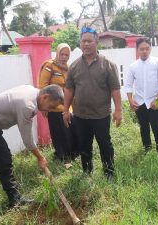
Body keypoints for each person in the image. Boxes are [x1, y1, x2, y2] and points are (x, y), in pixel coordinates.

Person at [0, 85, 63, 225]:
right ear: (44, 97)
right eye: (50, 106)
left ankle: (14, 198)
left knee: (5, 162)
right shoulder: (27, 105)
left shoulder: (33, 91)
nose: (48, 110)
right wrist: (40, 157)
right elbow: (27, 139)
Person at [63, 27, 122, 179]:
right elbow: (69, 90)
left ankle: (109, 173)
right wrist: (65, 111)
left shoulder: (108, 65)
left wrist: (118, 111)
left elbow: (115, 89)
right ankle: (87, 173)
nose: (86, 44)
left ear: (97, 42)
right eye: (83, 41)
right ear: (80, 43)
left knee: (105, 145)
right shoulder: (74, 66)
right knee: (84, 146)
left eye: (89, 41)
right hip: (80, 116)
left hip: (101, 115)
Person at [124, 37, 158, 155]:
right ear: (137, 50)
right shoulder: (133, 66)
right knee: (144, 127)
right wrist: (131, 101)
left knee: (157, 127)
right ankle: (147, 148)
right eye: (142, 49)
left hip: (154, 102)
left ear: (150, 49)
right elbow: (128, 85)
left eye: (147, 48)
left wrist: (157, 100)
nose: (145, 51)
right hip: (140, 102)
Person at [39, 43, 78, 161]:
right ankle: (61, 155)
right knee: (58, 132)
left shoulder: (68, 68)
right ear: (57, 53)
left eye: (67, 55)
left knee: (70, 130)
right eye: (62, 54)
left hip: (66, 105)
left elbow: (70, 87)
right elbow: (43, 86)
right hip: (54, 106)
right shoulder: (49, 66)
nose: (64, 57)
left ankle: (72, 154)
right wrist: (44, 107)